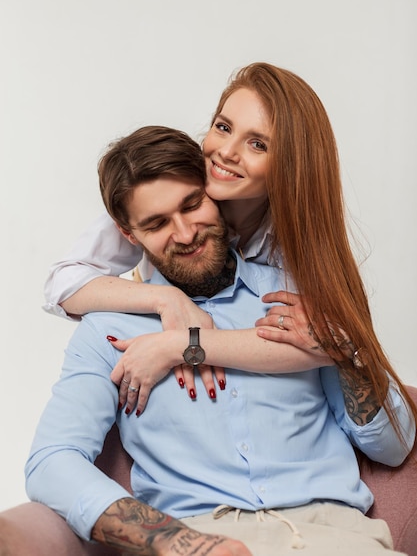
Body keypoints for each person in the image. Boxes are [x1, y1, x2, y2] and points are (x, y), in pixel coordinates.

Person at [26, 126, 415, 556]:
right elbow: (51, 462)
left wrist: (346, 348)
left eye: (192, 204)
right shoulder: (106, 331)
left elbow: (393, 448)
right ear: (129, 235)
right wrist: (176, 541)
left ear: (216, 193)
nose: (186, 234)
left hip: (337, 536)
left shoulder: (297, 296)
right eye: (156, 224)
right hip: (200, 537)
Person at [42, 62, 417, 433]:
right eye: (223, 128)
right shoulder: (172, 185)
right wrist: (168, 301)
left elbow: (312, 346)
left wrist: (183, 346)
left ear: (289, 166)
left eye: (257, 144)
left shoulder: (296, 245)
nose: (226, 153)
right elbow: (63, 284)